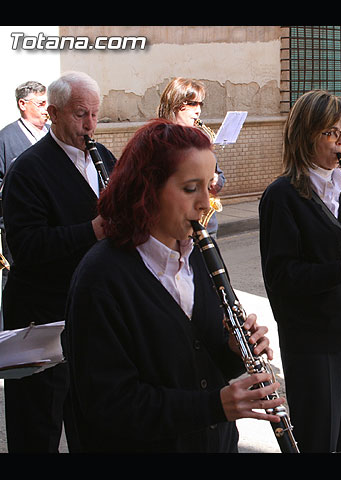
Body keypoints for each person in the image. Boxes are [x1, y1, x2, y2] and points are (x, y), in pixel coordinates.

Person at [63, 119, 283, 452]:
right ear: (146, 189)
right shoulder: (101, 278)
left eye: (208, 187)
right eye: (190, 188)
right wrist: (215, 406)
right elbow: (107, 405)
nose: (205, 204)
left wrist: (235, 351)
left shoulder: (200, 255)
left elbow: (201, 366)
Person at [259, 90, 341, 452]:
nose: (340, 142)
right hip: (315, 341)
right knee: (317, 439)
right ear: (305, 135)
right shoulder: (282, 196)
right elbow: (281, 278)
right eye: (330, 134)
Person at [1, 71, 117, 452]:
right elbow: (26, 246)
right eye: (80, 114)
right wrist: (93, 231)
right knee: (38, 426)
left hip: (90, 316)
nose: (90, 125)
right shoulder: (28, 169)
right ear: (52, 113)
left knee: (91, 421)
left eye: (95, 115)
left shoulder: (104, 158)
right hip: (42, 320)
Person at [0, 81, 51, 327]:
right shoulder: (6, 139)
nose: (46, 109)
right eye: (40, 104)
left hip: (53, 228)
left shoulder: (53, 134)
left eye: (47, 103)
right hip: (18, 229)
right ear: (23, 104)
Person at [158, 77, 225, 237]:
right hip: (178, 228)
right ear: (176, 104)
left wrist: (215, 180)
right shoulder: (159, 140)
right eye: (193, 104)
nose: (198, 111)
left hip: (206, 226)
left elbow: (220, 176)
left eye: (200, 104)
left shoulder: (200, 137)